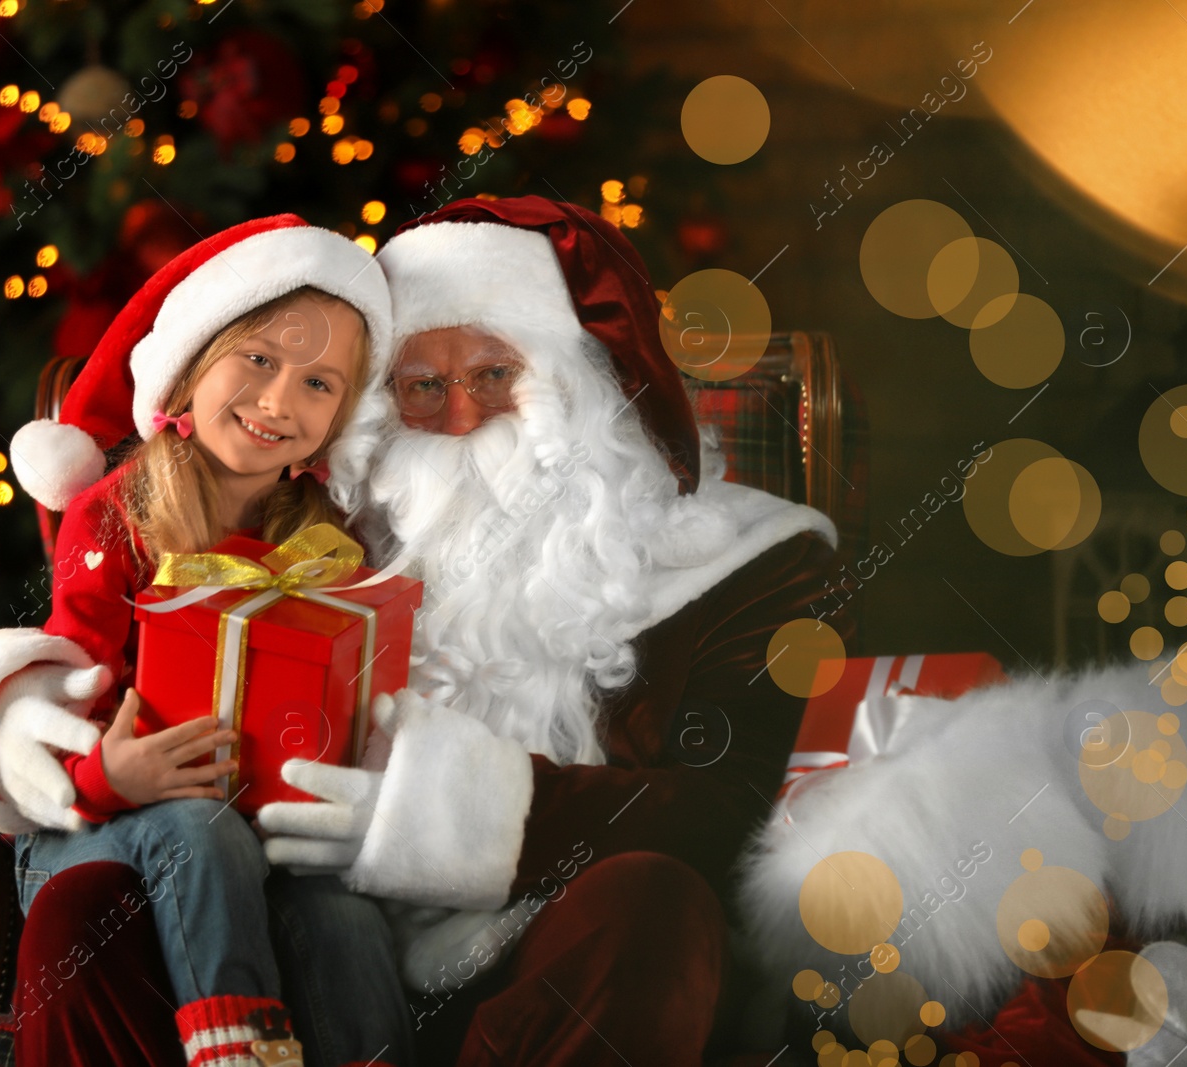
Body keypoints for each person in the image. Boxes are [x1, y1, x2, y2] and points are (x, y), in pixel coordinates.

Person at [254, 196, 854, 1066]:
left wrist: (447, 821)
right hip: (346, 975)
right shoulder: (320, 556)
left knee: (651, 900)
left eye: (496, 376)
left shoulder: (753, 560)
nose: (462, 417)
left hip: (584, 973)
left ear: (577, 388)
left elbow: (736, 814)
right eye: (424, 388)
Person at [0, 215, 415, 1067]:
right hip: (93, 823)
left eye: (318, 384)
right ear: (193, 365)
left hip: (261, 827)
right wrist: (108, 775)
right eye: (257, 360)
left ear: (339, 418)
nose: (277, 402)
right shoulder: (115, 512)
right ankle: (238, 1053)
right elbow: (65, 690)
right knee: (197, 826)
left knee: (343, 912)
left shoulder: (326, 536)